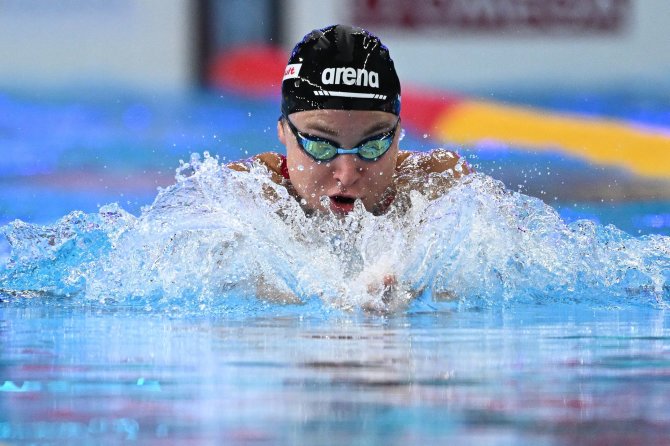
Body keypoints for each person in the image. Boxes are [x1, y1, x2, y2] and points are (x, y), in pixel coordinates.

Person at [229, 24, 470, 217]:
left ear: (398, 135)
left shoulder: (436, 186)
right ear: (283, 131)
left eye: (373, 146)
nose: (346, 175)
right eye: (320, 146)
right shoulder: (248, 192)